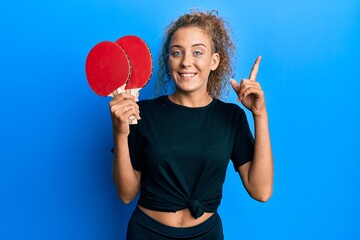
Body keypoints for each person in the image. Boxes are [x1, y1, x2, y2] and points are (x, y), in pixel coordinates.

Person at [109, 9, 273, 240]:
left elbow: (261, 191)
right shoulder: (142, 112)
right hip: (147, 233)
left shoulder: (231, 117)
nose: (186, 62)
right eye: (177, 53)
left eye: (198, 52)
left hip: (206, 234)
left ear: (214, 61)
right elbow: (126, 194)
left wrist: (260, 114)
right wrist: (120, 132)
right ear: (169, 59)